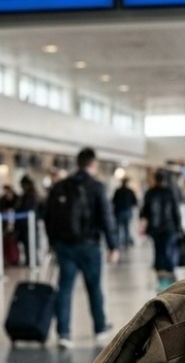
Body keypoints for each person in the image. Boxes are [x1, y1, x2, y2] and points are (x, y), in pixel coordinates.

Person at [43, 147, 119, 348]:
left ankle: (64, 333)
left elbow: (48, 217)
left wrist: (53, 243)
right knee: (94, 287)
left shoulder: (60, 186)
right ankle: (100, 327)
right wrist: (113, 246)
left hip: (65, 247)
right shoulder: (96, 187)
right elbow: (106, 217)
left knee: (65, 289)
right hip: (90, 246)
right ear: (93, 164)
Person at [140, 170, 182, 291]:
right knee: (168, 252)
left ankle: (162, 281)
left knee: (158, 252)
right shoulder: (170, 192)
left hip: (154, 229)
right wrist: (179, 227)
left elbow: (144, 212)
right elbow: (176, 212)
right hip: (169, 228)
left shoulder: (150, 193)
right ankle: (171, 278)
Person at [16, 175, 41, 266]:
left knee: (31, 242)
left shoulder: (30, 195)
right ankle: (30, 260)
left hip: (28, 223)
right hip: (28, 223)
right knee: (28, 242)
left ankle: (32, 260)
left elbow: (26, 209)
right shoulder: (30, 194)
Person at [112, 177, 139, 250]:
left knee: (118, 228)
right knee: (126, 228)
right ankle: (126, 244)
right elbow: (135, 202)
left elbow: (113, 201)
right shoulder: (130, 191)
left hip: (119, 212)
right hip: (127, 211)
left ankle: (117, 243)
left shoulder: (118, 191)